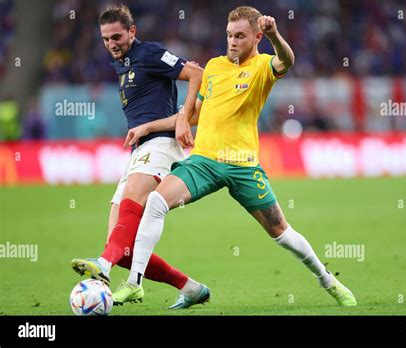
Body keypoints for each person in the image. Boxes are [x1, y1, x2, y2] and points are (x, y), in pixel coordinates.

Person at [113, 5, 357, 307]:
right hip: (204, 161)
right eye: (229, 35)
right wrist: (153, 125)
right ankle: (135, 283)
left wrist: (275, 35)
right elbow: (195, 115)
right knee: (156, 202)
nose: (232, 41)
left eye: (240, 36)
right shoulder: (214, 67)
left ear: (256, 36)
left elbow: (288, 61)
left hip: (243, 166)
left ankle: (327, 280)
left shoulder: (263, 67)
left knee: (281, 232)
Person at [71, 4, 210, 309]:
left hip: (160, 146)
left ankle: (103, 267)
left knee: (115, 243)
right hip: (138, 152)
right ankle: (190, 288)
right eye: (106, 39)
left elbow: (197, 73)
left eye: (117, 37)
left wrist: (184, 117)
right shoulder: (122, 65)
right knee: (121, 247)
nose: (111, 44)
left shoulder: (149, 53)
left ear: (132, 32)